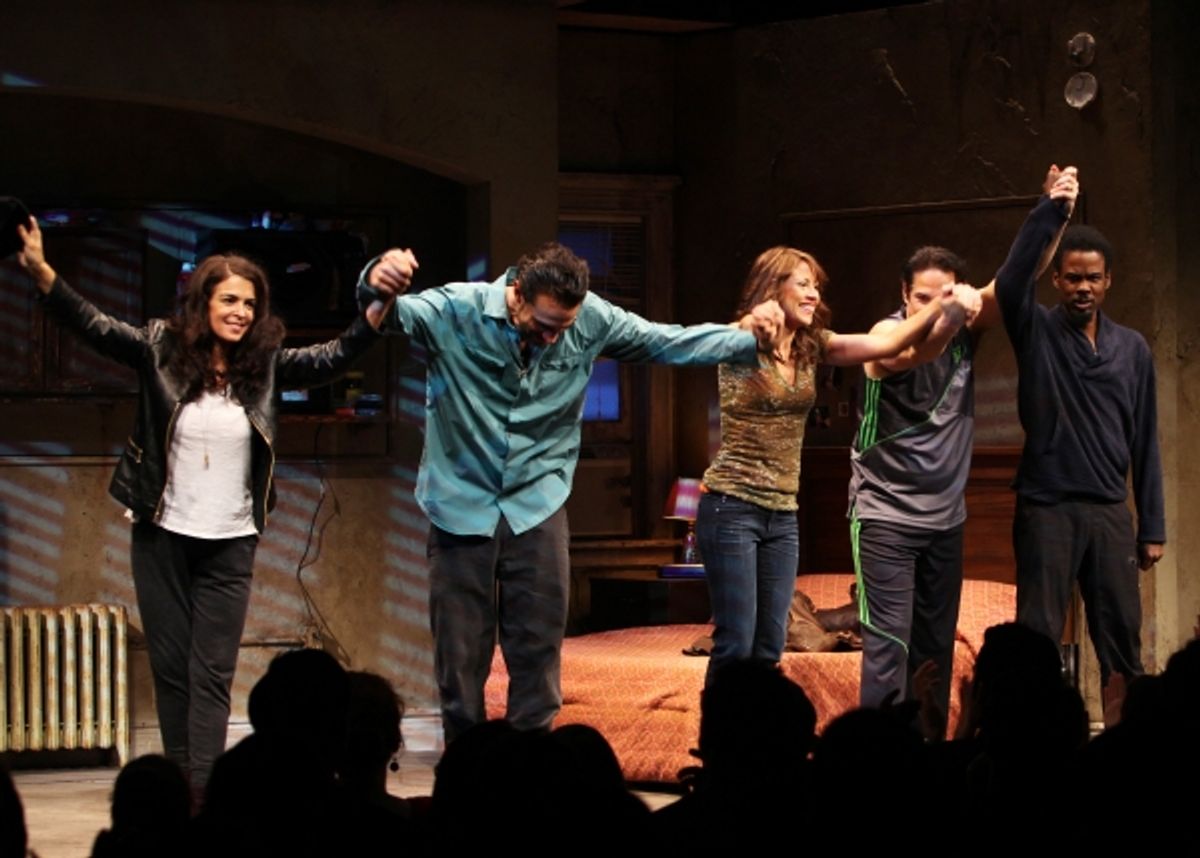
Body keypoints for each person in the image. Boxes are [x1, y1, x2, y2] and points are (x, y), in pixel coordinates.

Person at [14, 217, 399, 796]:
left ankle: (204, 792)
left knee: (211, 674)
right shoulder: (159, 348)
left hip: (231, 537)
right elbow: (96, 327)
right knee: (172, 672)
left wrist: (373, 314)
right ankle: (181, 788)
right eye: (229, 300)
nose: (241, 311)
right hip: (162, 533)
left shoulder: (263, 364)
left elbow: (329, 358)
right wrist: (43, 273)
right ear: (204, 301)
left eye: (249, 302)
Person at [358, 241, 783, 742]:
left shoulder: (590, 320)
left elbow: (665, 341)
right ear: (517, 296)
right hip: (459, 502)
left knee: (537, 648)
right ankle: (467, 768)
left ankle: (532, 768)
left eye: (564, 327)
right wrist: (377, 279)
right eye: (543, 325)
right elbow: (387, 315)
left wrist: (743, 337)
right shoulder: (457, 307)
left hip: (536, 502)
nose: (554, 338)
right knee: (460, 654)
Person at [849, 166, 1080, 735]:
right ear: (905, 296)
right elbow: (909, 354)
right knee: (888, 649)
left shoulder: (967, 329)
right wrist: (948, 311)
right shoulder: (886, 333)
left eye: (943, 295)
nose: (932, 305)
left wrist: (1051, 213)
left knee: (934, 650)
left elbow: (1016, 276)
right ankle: (883, 764)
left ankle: (933, 759)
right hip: (884, 519)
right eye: (921, 297)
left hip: (945, 521)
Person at [696, 246, 981, 685]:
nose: (813, 295)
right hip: (732, 507)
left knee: (771, 643)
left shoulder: (813, 346)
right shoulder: (741, 340)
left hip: (783, 514)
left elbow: (891, 344)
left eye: (816, 286)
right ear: (773, 288)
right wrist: (751, 323)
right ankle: (721, 741)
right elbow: (730, 331)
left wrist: (942, 308)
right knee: (737, 641)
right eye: (803, 284)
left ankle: (759, 744)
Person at [998, 216, 1165, 704]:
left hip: (1111, 511)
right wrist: (1050, 213)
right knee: (1036, 640)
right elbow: (1011, 281)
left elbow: (1146, 437)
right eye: (1073, 277)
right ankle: (1033, 745)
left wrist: (1151, 524)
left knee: (1121, 640)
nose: (1083, 288)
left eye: (1093, 278)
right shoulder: (1037, 330)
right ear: (1057, 279)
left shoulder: (1131, 348)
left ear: (1109, 280)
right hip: (1047, 507)